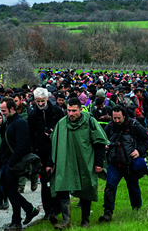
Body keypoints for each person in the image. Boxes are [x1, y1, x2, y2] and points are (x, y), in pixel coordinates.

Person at [47, 97, 109, 229]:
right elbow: (54, 145)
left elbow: (99, 143)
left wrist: (98, 163)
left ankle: (85, 221)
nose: (71, 114)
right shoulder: (61, 124)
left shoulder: (90, 121)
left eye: (74, 111)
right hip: (66, 161)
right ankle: (66, 221)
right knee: (62, 187)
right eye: (69, 110)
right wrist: (49, 163)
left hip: (85, 160)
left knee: (86, 188)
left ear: (80, 109)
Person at [99, 105, 148, 223]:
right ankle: (108, 213)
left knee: (133, 188)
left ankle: (137, 211)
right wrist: (105, 146)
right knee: (110, 186)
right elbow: (101, 140)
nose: (117, 121)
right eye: (114, 118)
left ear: (124, 116)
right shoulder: (110, 127)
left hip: (130, 164)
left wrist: (139, 151)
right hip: (114, 164)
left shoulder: (134, 125)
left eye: (119, 118)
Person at [0, 97, 39, 230]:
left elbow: (22, 146)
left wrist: (11, 163)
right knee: (10, 192)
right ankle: (28, 210)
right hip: (7, 162)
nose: (2, 113)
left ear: (12, 108)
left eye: (4, 110)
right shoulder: (9, 122)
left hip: (13, 163)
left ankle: (17, 221)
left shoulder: (19, 123)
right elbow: (5, 143)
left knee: (12, 193)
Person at [27, 88, 64, 223]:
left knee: (57, 181)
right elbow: (30, 136)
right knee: (45, 183)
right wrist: (35, 156)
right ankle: (48, 210)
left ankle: (57, 207)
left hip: (56, 149)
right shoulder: (33, 114)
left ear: (47, 99)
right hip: (41, 151)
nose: (40, 104)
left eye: (42, 101)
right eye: (38, 101)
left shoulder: (56, 111)